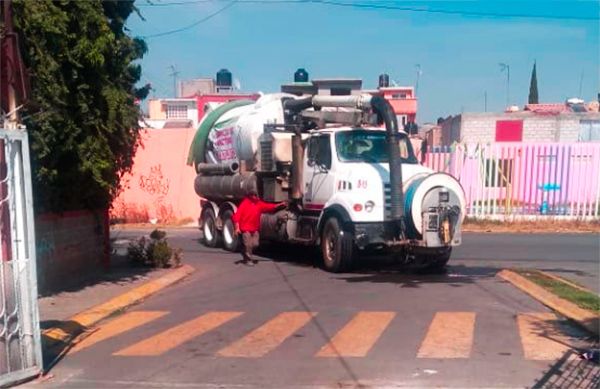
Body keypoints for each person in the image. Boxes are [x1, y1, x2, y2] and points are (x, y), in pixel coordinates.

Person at [232, 190, 286, 266]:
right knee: (248, 244)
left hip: (254, 229)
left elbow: (269, 206)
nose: (255, 196)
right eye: (254, 195)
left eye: (256, 195)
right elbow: (237, 216)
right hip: (245, 228)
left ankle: (245, 252)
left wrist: (280, 204)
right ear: (250, 196)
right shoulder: (244, 204)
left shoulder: (258, 203)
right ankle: (248, 260)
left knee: (255, 244)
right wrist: (237, 228)